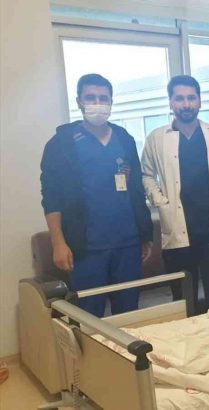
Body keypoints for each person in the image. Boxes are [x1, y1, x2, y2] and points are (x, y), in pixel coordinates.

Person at [40, 73, 153, 317]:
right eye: (91, 98)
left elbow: (136, 189)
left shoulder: (124, 139)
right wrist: (58, 242)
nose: (97, 103)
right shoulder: (62, 143)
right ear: (79, 101)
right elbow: (51, 197)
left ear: (111, 102)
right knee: (90, 316)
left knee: (129, 314)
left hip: (127, 243)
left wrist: (144, 235)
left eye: (104, 98)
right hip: (86, 247)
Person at [142, 75, 209, 313]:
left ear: (199, 101)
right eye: (179, 99)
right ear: (170, 102)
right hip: (177, 233)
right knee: (184, 303)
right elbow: (146, 174)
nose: (186, 104)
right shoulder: (157, 137)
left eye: (191, 98)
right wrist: (159, 200)